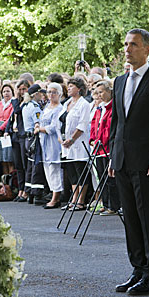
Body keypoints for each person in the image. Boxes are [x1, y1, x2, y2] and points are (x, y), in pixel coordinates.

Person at [109, 29, 149, 296]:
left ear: (147, 49)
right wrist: (114, 156)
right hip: (123, 161)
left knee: (148, 219)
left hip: (147, 162)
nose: (127, 49)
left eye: (133, 44)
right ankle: (137, 269)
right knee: (131, 219)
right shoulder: (119, 81)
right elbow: (117, 123)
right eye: (125, 44)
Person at [60, 77, 91, 210]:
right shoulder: (66, 103)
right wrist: (61, 140)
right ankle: (74, 197)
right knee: (71, 171)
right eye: (69, 86)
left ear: (79, 89)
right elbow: (60, 121)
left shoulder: (84, 104)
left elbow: (82, 124)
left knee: (80, 170)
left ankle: (81, 200)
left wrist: (72, 139)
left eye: (72, 86)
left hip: (78, 143)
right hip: (66, 144)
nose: (69, 88)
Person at [89, 80, 119, 215]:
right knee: (101, 176)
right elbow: (94, 125)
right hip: (98, 148)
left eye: (101, 92)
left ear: (109, 91)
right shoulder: (99, 108)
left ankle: (113, 205)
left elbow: (109, 128)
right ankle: (105, 203)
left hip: (106, 148)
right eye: (97, 92)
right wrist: (92, 140)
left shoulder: (112, 108)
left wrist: (101, 140)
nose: (99, 95)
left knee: (109, 178)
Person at [38, 82, 64, 208]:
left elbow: (53, 127)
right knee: (47, 168)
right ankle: (53, 193)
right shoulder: (47, 107)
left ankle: (56, 197)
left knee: (54, 168)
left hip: (53, 141)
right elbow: (40, 120)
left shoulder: (60, 108)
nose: (51, 94)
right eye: (49, 92)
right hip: (44, 141)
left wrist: (40, 129)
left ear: (59, 94)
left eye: (54, 92)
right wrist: (38, 126)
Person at [8, 80, 30, 201]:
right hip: (15, 135)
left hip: (23, 135)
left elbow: (17, 111)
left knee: (24, 163)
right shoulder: (16, 101)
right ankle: (20, 189)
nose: (21, 92)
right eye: (19, 89)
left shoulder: (26, 103)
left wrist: (16, 99)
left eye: (24, 89)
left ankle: (26, 190)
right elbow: (12, 117)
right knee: (18, 165)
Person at [0, 83, 15, 175]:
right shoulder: (0, 104)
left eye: (8, 91)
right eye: (4, 91)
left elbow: (10, 118)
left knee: (9, 158)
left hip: (7, 132)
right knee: (2, 159)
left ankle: (11, 181)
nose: (6, 93)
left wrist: (1, 129)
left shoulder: (13, 103)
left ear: (12, 92)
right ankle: (5, 182)